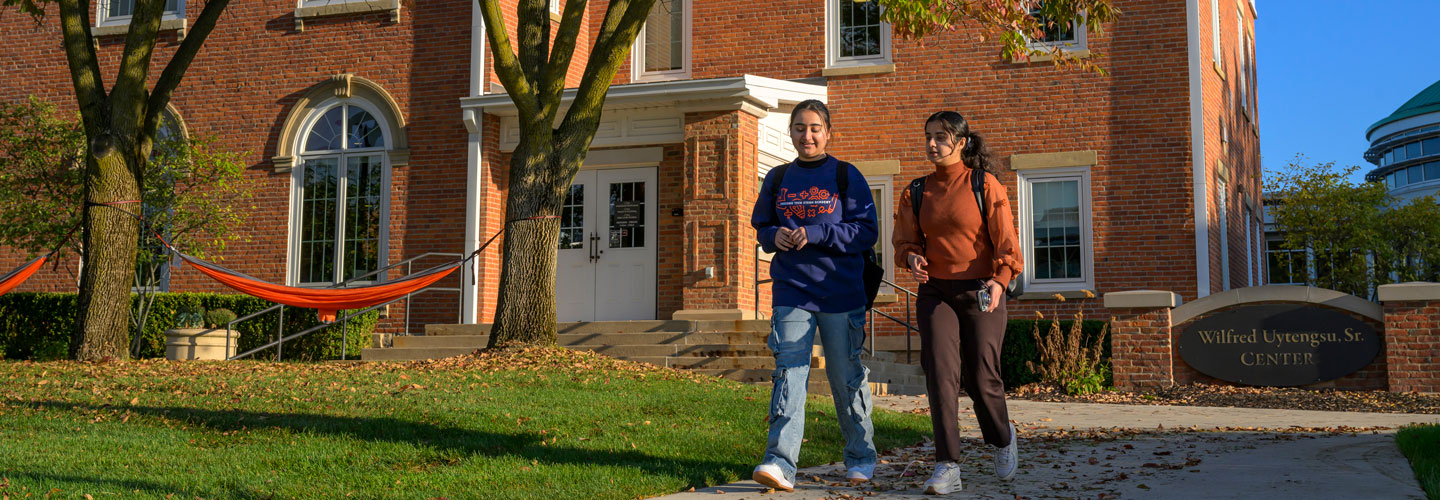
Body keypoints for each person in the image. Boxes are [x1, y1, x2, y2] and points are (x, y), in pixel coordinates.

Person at [749, 99, 880, 492]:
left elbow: (866, 231)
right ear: (790, 132)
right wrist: (774, 236)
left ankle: (860, 457)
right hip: (792, 288)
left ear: (828, 133)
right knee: (789, 373)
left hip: (840, 291)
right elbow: (761, 226)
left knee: (845, 375)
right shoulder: (778, 178)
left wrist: (818, 233)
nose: (807, 135)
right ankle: (779, 463)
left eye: (814, 128)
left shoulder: (845, 175)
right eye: (799, 128)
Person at [892, 111, 1025, 495]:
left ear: (961, 142)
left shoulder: (984, 185)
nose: (932, 144)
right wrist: (912, 258)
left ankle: (1002, 437)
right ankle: (947, 465)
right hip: (936, 293)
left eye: (941, 137)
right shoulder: (917, 191)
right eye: (928, 136)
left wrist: (1001, 281)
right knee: (940, 374)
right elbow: (905, 242)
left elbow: (1007, 244)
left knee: (981, 378)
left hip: (982, 290)